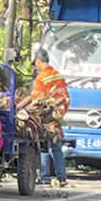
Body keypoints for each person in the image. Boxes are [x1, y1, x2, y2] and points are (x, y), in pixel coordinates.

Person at [16, 48, 70, 187]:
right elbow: (65, 97)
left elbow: (34, 98)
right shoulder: (58, 75)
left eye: (36, 64)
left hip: (47, 115)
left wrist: (18, 107)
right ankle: (62, 177)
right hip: (58, 114)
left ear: (39, 62)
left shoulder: (41, 77)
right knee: (56, 147)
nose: (36, 67)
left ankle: (45, 177)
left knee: (44, 146)